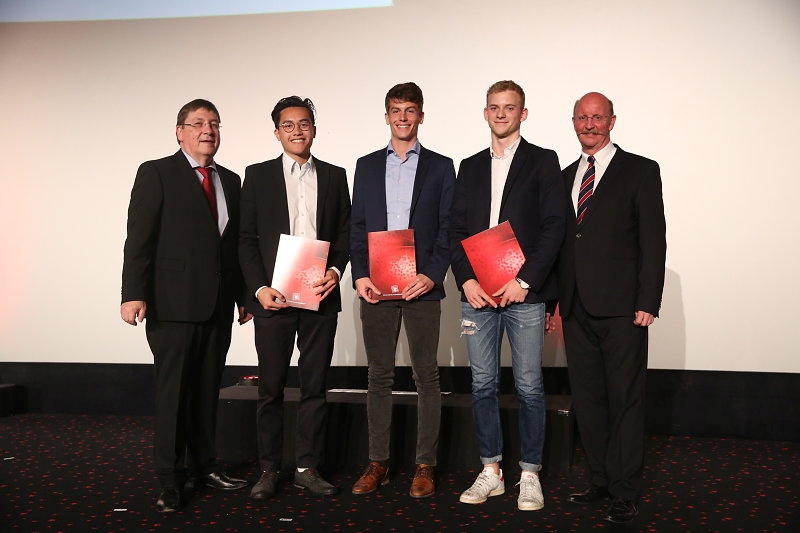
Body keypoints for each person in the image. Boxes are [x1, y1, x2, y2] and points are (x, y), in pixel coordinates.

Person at [121, 99, 250, 513]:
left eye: (214, 123)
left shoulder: (230, 180)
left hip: (217, 306)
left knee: (206, 391)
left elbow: (233, 247)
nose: (207, 130)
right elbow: (139, 238)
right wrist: (132, 292)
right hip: (171, 306)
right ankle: (171, 479)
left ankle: (204, 465)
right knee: (174, 394)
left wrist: (244, 296)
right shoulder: (156, 172)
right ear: (179, 131)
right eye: (197, 124)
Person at [450, 80, 566, 511]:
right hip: (478, 295)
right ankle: (491, 470)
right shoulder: (470, 166)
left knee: (529, 385)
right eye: (494, 108)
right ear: (485, 113)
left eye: (510, 107)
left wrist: (526, 281)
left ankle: (530, 473)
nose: (501, 114)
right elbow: (456, 230)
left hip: (525, 295)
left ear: (524, 113)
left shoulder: (542, 161)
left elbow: (555, 226)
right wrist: (466, 281)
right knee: (481, 384)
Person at [557, 92, 666, 523]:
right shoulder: (564, 175)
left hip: (624, 308)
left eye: (597, 117)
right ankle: (599, 480)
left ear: (612, 121)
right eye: (582, 118)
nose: (589, 124)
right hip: (576, 306)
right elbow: (563, 245)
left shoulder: (641, 170)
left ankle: (625, 488)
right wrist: (554, 302)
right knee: (589, 399)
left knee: (625, 400)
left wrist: (647, 301)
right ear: (573, 122)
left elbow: (653, 240)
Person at [239, 96, 351, 500]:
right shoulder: (258, 176)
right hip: (275, 298)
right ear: (277, 133)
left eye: (304, 124)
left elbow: (345, 234)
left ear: (314, 130)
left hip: (319, 296)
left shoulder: (336, 176)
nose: (297, 131)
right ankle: (269, 469)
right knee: (270, 387)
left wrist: (336, 272)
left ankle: (307, 466)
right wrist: (257, 290)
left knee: (315, 386)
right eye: (288, 125)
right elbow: (246, 240)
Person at [349, 82, 455, 499]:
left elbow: (448, 229)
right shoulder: (367, 165)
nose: (403, 117)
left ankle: (425, 466)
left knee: (426, 375)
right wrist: (360, 275)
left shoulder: (442, 167)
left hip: (421, 287)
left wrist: (432, 273)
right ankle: (378, 462)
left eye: (410, 110)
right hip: (376, 285)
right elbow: (357, 227)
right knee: (378, 375)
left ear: (421, 116)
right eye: (396, 110)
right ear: (387, 116)